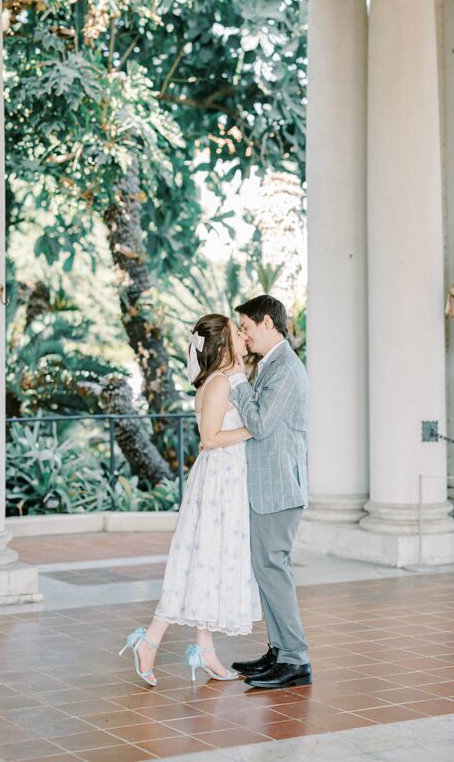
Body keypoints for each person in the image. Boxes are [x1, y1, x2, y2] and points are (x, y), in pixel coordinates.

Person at [119, 313, 261, 686]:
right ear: (223, 345)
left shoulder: (229, 379)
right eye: (236, 333)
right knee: (199, 563)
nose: (243, 338)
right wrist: (252, 430)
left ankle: (204, 649)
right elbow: (211, 438)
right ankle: (149, 640)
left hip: (227, 480)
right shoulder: (218, 384)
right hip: (219, 484)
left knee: (209, 565)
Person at [229, 294, 312, 689]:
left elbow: (260, 424)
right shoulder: (271, 364)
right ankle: (279, 651)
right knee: (267, 571)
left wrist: (236, 381)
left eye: (245, 328)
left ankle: (295, 659)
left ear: (267, 322)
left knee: (274, 571)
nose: (243, 337)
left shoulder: (287, 369)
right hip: (269, 488)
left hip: (279, 489)